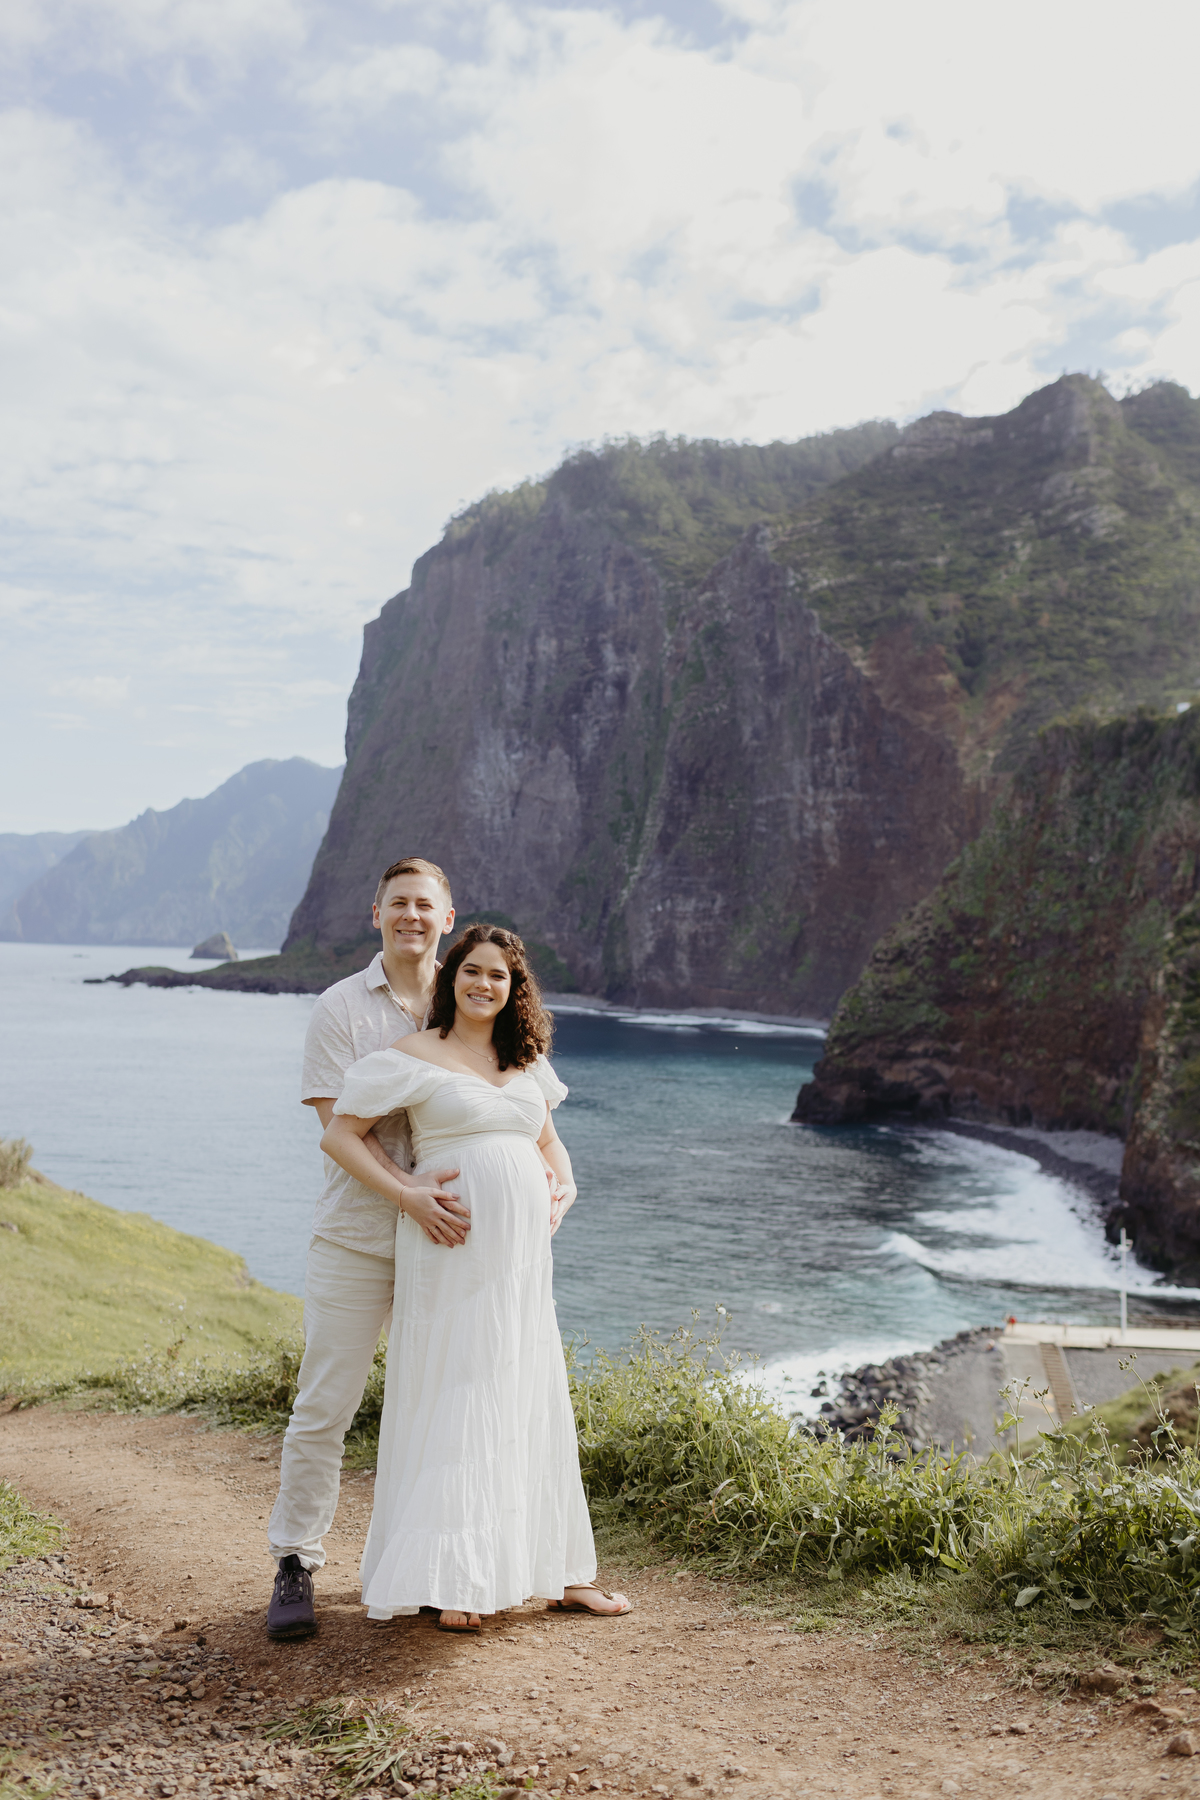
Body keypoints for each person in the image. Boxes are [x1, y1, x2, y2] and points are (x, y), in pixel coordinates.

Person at [320, 921, 631, 1630]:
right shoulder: (413, 1055)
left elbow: (549, 1143)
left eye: (499, 975)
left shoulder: (527, 1062)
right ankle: (455, 1574)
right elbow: (341, 1132)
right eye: (472, 971)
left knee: (527, 1389)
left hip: (522, 1261)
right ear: (451, 979)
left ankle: (562, 1571)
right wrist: (405, 1193)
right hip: (450, 1247)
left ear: (514, 987)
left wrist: (565, 1188)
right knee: (460, 1389)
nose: (484, 984)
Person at [265, 857, 471, 1642]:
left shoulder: (472, 998)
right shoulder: (340, 1008)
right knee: (326, 1404)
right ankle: (295, 1562)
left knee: (437, 1408)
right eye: (398, 904)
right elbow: (334, 1131)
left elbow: (513, 1097)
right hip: (359, 1236)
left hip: (451, 1241)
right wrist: (408, 1195)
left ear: (447, 917)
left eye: (426, 904)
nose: (411, 916)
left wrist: (553, 1179)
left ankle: (425, 1564)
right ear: (374, 913)